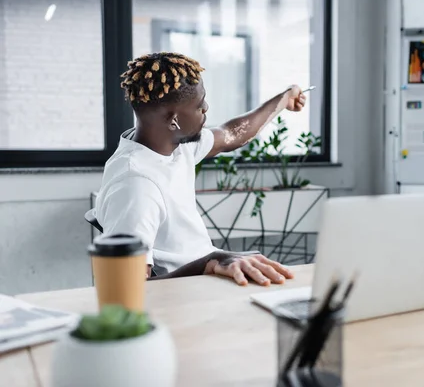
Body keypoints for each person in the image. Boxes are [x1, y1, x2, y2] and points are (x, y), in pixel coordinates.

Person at [94, 52, 308, 286]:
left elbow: (232, 134)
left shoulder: (171, 145)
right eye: (199, 105)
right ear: (173, 120)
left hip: (207, 274)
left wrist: (284, 99)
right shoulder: (137, 184)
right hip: (184, 293)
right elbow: (126, 286)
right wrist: (209, 263)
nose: (206, 107)